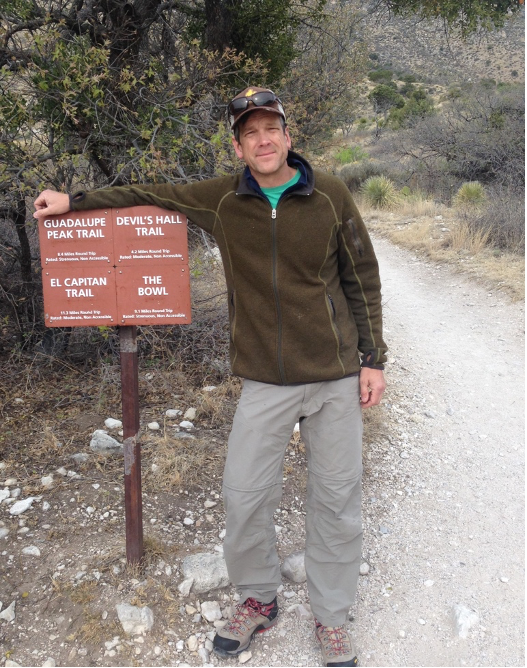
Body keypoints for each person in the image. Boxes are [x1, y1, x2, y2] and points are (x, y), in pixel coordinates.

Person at [34, 86, 387, 668]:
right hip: (264, 383)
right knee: (244, 495)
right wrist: (75, 200)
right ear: (238, 145)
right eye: (250, 132)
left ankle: (331, 616)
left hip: (334, 377)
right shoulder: (222, 199)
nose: (263, 139)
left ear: (288, 136)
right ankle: (259, 598)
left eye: (271, 127)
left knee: (337, 498)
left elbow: (362, 277)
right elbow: (152, 192)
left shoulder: (330, 196)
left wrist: (373, 359)